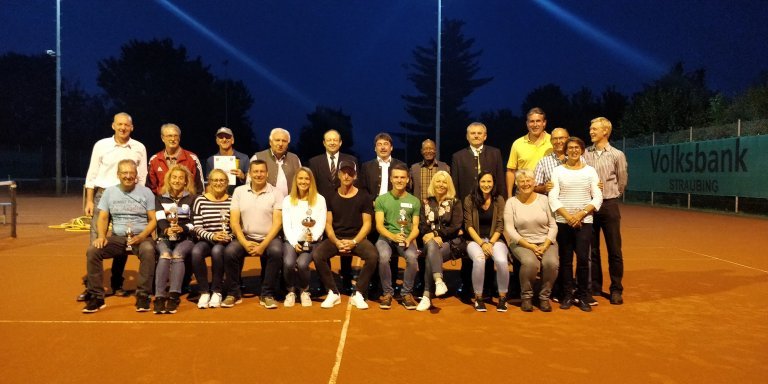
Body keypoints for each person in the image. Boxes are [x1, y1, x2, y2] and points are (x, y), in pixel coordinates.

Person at [80, 112, 147, 301]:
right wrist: (90, 200)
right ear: (113, 126)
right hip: (102, 195)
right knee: (96, 241)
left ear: (132, 127)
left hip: (126, 197)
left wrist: (138, 201)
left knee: (121, 240)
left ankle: (117, 283)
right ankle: (93, 287)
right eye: (119, 124)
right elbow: (92, 174)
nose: (123, 128)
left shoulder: (139, 147)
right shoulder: (101, 145)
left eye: (126, 125)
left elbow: (142, 177)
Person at [82, 160, 157, 313]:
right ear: (118, 175)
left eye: (131, 173)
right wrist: (101, 236)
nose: (128, 176)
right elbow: (103, 217)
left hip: (141, 237)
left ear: (136, 175)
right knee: (93, 251)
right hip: (118, 238)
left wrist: (142, 236)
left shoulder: (146, 192)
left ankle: (143, 295)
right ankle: (96, 296)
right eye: (124, 173)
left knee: (149, 250)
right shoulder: (109, 192)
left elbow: (153, 219)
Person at [450, 122, 505, 298]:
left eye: (479, 133)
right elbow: (455, 189)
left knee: (490, 247)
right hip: (469, 212)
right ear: (467, 136)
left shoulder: (495, 153)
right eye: (472, 133)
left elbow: (500, 182)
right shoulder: (458, 157)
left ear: (485, 136)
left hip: (490, 209)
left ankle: (488, 287)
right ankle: (467, 286)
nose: (476, 136)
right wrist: (458, 217)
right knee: (469, 250)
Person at [313, 160, 378, 310]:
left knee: (373, 256)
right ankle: (333, 292)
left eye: (350, 173)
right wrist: (336, 242)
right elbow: (328, 224)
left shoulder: (364, 196)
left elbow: (367, 224)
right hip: (336, 238)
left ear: (355, 176)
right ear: (339, 174)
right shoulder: (330, 196)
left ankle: (359, 293)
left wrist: (354, 241)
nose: (347, 176)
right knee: (318, 255)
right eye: (344, 172)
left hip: (357, 239)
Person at [549, 137, 602, 312]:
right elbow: (553, 197)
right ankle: (567, 295)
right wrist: (568, 216)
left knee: (582, 260)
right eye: (570, 148)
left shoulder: (590, 171)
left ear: (582, 150)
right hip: (563, 222)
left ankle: (583, 296)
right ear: (565, 150)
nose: (573, 150)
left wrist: (580, 214)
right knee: (565, 261)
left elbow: (597, 197)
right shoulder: (558, 171)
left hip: (584, 222)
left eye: (577, 147)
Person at [223, 159, 284, 309]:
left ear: (267, 173)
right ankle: (233, 293)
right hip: (245, 237)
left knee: (276, 251)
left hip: (269, 238)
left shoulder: (276, 193)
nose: (259, 174)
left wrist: (263, 245)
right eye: (255, 171)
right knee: (230, 251)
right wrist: (244, 242)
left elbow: (277, 223)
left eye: (262, 171)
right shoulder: (239, 191)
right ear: (249, 174)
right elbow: (234, 222)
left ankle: (267, 294)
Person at [307, 129, 358, 293]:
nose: (332, 142)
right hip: (322, 208)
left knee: (345, 239)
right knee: (324, 242)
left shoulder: (351, 160)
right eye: (329, 140)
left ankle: (347, 279)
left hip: (345, 207)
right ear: (324, 143)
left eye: (335, 140)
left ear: (340, 142)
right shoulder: (314, 162)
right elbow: (312, 186)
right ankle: (324, 281)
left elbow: (357, 184)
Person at [584, 117, 628, 305]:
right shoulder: (584, 154)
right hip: (590, 206)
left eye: (594, 129)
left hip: (609, 205)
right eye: (590, 128)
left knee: (614, 249)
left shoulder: (617, 155)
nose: (591, 131)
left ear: (605, 132)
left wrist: (611, 193)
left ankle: (616, 288)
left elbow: (622, 180)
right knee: (592, 249)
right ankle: (594, 286)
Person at [504, 170, 559, 312]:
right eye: (521, 181)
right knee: (530, 263)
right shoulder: (511, 202)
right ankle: (527, 297)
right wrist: (530, 246)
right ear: (516, 184)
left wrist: (545, 244)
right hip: (521, 243)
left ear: (534, 182)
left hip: (546, 241)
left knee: (551, 263)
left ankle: (544, 297)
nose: (525, 184)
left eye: (528, 180)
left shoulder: (544, 200)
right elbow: (510, 229)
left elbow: (553, 225)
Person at [374, 164, 421, 310]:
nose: (399, 180)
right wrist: (393, 237)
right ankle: (387, 293)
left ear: (407, 180)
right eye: (396, 177)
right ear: (391, 179)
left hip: (406, 239)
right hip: (386, 238)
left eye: (402, 177)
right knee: (383, 257)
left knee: (413, 259)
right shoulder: (382, 199)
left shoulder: (414, 201)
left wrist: (408, 239)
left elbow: (415, 227)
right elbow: (379, 226)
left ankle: (406, 293)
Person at [415, 170, 462, 312]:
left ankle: (427, 295)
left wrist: (436, 233)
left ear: (449, 185)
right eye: (438, 181)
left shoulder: (455, 202)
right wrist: (432, 236)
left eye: (444, 182)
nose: (441, 184)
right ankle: (439, 281)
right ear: (433, 183)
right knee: (431, 247)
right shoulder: (425, 202)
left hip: (451, 242)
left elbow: (456, 226)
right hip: (431, 242)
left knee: (431, 251)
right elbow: (422, 225)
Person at [153, 165, 197, 314]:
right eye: (174, 177)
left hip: (185, 239)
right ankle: (159, 296)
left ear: (186, 182)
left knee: (177, 255)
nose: (177, 180)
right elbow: (160, 220)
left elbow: (194, 222)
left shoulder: (192, 199)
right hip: (165, 237)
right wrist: (167, 229)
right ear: (169, 179)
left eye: (181, 178)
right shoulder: (160, 198)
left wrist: (182, 229)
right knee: (165, 255)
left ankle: (173, 295)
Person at [463, 171, 510, 312]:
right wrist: (482, 243)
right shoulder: (469, 199)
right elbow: (468, 225)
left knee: (501, 261)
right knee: (479, 259)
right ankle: (478, 298)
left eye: (489, 181)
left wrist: (490, 243)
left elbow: (500, 225)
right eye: (483, 181)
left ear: (494, 183)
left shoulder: (499, 200)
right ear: (478, 182)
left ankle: (502, 298)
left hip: (495, 239)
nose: (486, 184)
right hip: (474, 240)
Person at [281, 167, 326, 308]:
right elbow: (286, 224)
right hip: (291, 240)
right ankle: (290, 291)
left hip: (311, 241)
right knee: (288, 263)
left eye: (307, 178)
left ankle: (305, 291)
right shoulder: (288, 200)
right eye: (300, 178)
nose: (303, 181)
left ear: (311, 181)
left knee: (302, 264)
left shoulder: (319, 199)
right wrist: (294, 243)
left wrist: (312, 237)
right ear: (296, 180)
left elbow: (321, 222)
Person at [191, 169, 232, 309]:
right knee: (196, 252)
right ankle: (204, 291)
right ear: (209, 182)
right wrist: (212, 236)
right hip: (206, 239)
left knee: (217, 251)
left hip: (225, 241)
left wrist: (228, 236)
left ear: (227, 183)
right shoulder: (200, 200)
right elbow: (197, 227)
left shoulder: (233, 201)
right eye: (215, 180)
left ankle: (217, 290)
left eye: (222, 180)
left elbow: (237, 226)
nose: (218, 183)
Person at [506, 107, 553, 198]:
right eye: (532, 121)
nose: (535, 125)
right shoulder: (517, 144)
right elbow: (511, 171)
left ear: (544, 123)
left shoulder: (553, 142)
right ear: (527, 124)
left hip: (548, 194)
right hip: (523, 193)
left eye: (538, 121)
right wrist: (509, 195)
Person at [147, 123, 205, 195]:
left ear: (179, 138)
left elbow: (200, 188)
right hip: (161, 203)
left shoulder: (192, 158)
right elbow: (150, 189)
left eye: (175, 136)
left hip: (187, 203)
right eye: (169, 136)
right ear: (162, 138)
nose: (173, 139)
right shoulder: (154, 160)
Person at [250, 128, 301, 197]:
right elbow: (249, 183)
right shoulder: (257, 158)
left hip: (290, 204)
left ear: (288, 144)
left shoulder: (295, 159)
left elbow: (301, 181)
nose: (280, 144)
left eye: (284, 141)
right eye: (277, 140)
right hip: (265, 203)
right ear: (270, 142)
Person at [359, 133, 407, 198]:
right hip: (372, 206)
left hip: (395, 205)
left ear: (391, 148)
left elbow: (407, 188)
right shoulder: (366, 166)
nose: (383, 147)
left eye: (386, 144)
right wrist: (370, 202)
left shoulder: (401, 166)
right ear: (375, 148)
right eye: (379, 144)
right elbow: (362, 189)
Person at [205, 127, 249, 194]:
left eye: (227, 137)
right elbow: (209, 184)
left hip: (238, 197)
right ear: (217, 141)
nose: (224, 139)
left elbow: (251, 182)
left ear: (232, 140)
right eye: (221, 137)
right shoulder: (211, 160)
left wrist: (243, 177)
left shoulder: (244, 158)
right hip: (218, 199)